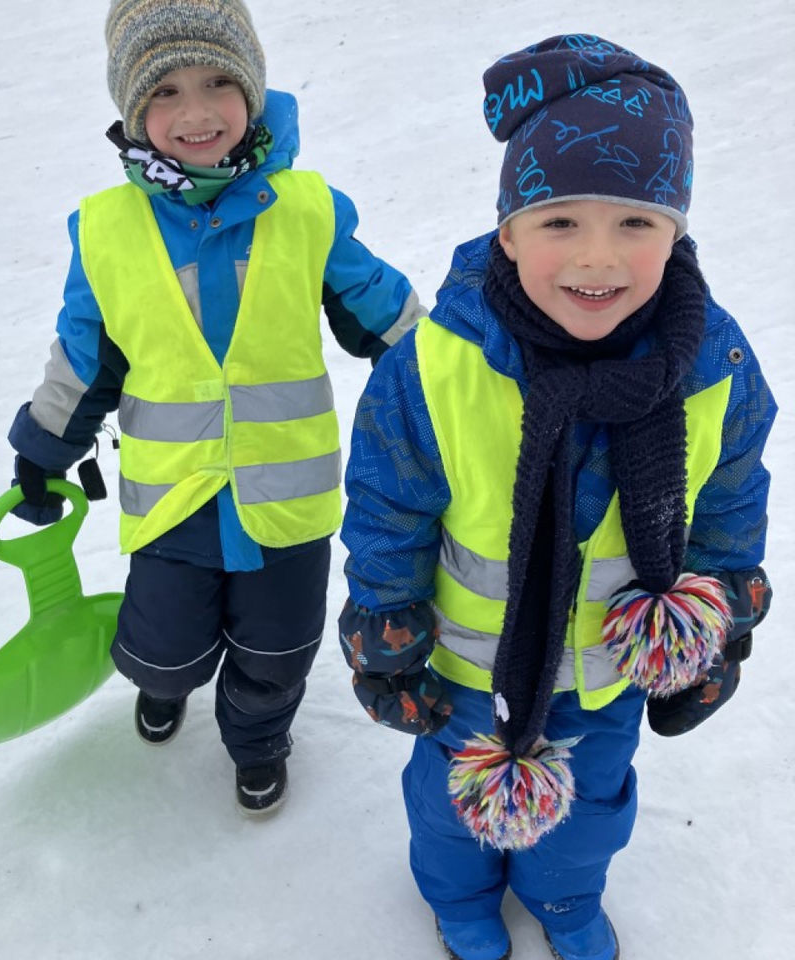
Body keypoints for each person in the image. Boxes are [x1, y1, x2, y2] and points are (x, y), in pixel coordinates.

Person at [338, 34, 774, 960]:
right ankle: (459, 898)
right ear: (508, 231)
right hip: (465, 666)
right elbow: (389, 497)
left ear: (677, 231)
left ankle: (566, 900)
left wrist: (724, 608)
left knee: (593, 803)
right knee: (455, 803)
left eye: (636, 223)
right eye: (560, 222)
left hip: (612, 668)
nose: (598, 259)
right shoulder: (441, 363)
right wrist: (384, 613)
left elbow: (731, 496)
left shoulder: (713, 366)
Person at [7, 0, 425, 817]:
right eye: (162, 90)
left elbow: (389, 317)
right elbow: (82, 354)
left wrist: (454, 383)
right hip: (175, 497)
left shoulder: (307, 211)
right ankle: (164, 689)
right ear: (131, 109)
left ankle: (259, 739)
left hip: (289, 503)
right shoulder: (107, 230)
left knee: (278, 651)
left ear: (253, 91)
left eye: (217, 82)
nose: (195, 112)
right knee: (161, 647)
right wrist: (45, 447)